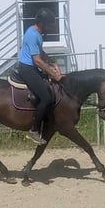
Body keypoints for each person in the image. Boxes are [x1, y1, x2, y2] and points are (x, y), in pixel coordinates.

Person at [18, 8, 63, 145]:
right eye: (49, 25)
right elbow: (37, 59)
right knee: (46, 97)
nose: (50, 28)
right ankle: (34, 130)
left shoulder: (37, 33)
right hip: (27, 69)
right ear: (42, 23)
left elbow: (40, 52)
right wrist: (53, 74)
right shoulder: (32, 35)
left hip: (31, 67)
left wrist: (52, 62)